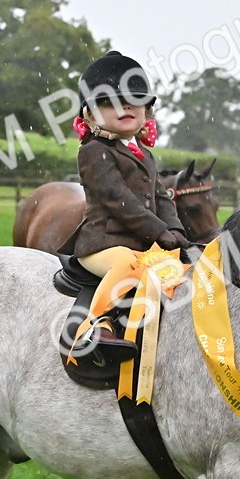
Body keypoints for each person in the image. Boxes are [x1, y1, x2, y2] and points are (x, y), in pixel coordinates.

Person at [65, 51, 189, 358]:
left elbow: (162, 197)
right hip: (102, 244)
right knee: (124, 263)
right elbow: (119, 200)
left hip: (144, 245)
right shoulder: (93, 152)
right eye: (109, 102)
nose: (124, 107)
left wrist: (176, 230)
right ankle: (96, 326)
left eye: (135, 100)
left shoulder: (145, 156)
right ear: (90, 116)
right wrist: (160, 231)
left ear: (146, 111)